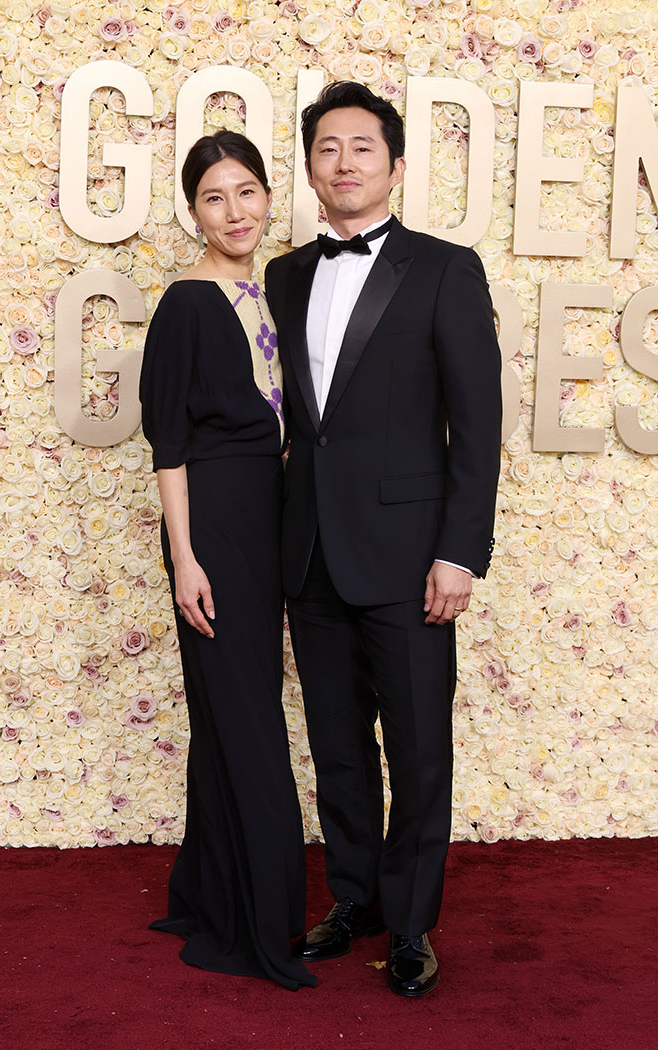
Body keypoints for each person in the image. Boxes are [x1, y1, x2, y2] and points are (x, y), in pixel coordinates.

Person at [264, 82, 502, 998]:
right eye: (328, 148)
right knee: (336, 745)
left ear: (394, 165)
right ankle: (354, 897)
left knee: (417, 747)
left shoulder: (446, 269)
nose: (345, 163)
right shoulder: (283, 276)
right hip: (310, 551)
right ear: (313, 167)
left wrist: (461, 551)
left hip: (411, 560)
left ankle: (410, 926)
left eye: (363, 147)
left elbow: (477, 426)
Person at [139, 130, 315, 991]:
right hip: (213, 522)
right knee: (245, 718)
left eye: (247, 192)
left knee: (230, 715)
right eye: (214, 197)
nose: (235, 211)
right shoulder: (184, 303)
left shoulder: (281, 289)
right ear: (192, 210)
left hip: (274, 517)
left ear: (270, 197)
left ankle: (212, 892)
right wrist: (185, 558)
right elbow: (167, 443)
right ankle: (262, 925)